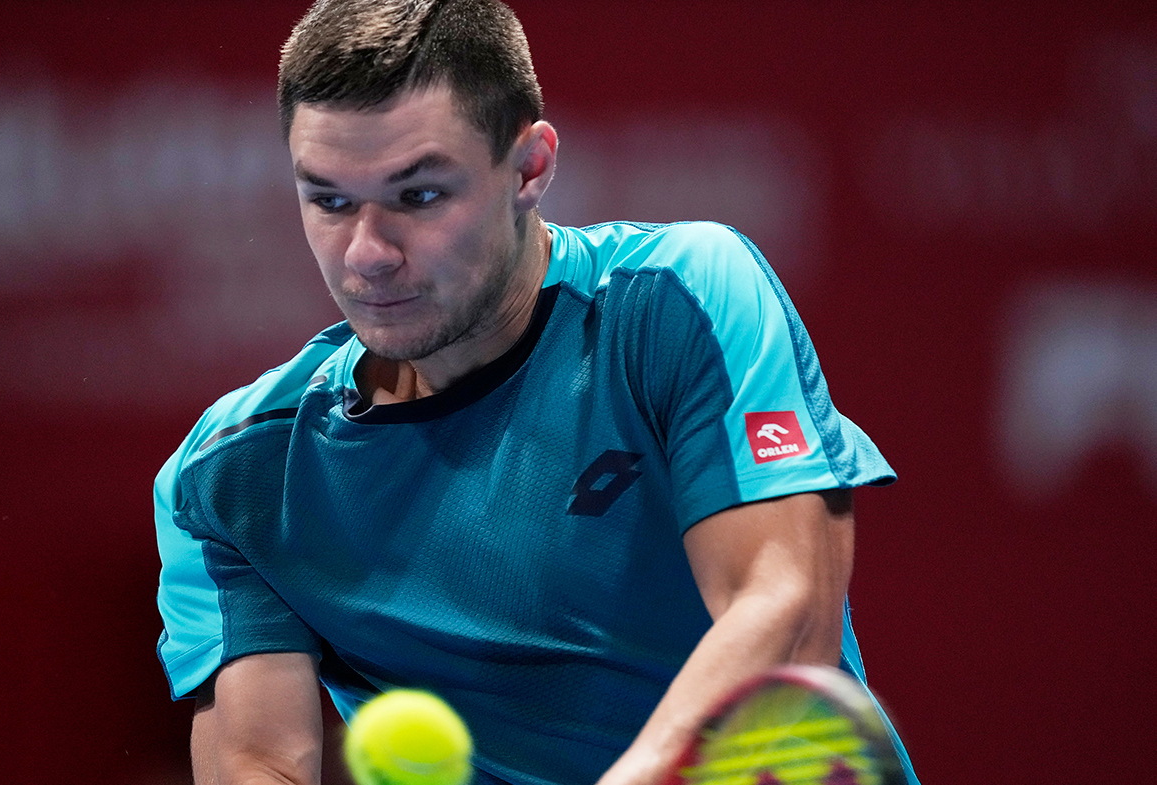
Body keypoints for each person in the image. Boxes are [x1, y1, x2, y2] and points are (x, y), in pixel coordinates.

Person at [154, 2, 919, 784]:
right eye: (329, 200)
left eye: (418, 196)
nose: (368, 253)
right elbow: (260, 765)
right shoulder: (233, 476)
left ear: (530, 168)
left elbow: (786, 616)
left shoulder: (676, 301)